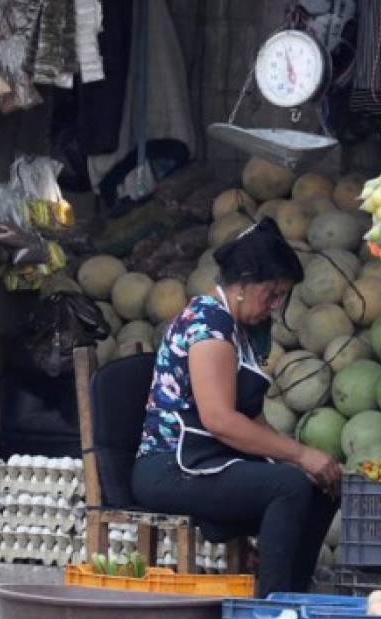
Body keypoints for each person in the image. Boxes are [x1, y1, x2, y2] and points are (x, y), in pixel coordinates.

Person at [131, 218, 341, 596]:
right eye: (272, 294)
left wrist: (300, 461)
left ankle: (293, 596)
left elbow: (253, 421)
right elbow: (220, 420)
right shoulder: (209, 323)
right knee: (289, 487)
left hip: (208, 460)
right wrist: (301, 455)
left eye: (282, 298)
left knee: (316, 487)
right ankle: (271, 612)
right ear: (243, 282)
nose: (275, 307)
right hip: (169, 466)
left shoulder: (237, 330)